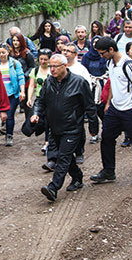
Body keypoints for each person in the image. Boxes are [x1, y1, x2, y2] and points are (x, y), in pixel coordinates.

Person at [90, 38, 132, 186]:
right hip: (115, 108)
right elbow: (113, 82)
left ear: (111, 50)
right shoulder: (110, 63)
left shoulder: (128, 65)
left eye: (102, 53)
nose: (101, 56)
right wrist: (109, 102)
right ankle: (108, 171)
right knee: (106, 138)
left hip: (130, 110)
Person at [35, 54, 96, 202]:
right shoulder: (49, 82)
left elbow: (90, 106)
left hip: (73, 128)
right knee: (64, 156)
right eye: (50, 66)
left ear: (65, 66)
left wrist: (94, 127)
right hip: (54, 128)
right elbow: (40, 100)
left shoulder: (79, 82)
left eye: (55, 66)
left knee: (62, 157)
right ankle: (77, 177)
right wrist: (36, 114)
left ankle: (53, 188)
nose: (52, 69)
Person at [63, 43, 93, 163]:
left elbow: (88, 86)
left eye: (68, 51)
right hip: (61, 105)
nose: (65, 53)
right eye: (64, 50)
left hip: (76, 105)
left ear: (75, 54)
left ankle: (79, 151)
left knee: (78, 128)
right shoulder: (58, 67)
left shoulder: (80, 69)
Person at [0, 43, 25, 147]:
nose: (1, 55)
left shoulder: (15, 63)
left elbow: (21, 77)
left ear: (8, 52)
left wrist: (22, 91)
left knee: (10, 116)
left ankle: (9, 135)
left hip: (12, 94)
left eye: (3, 52)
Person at [27, 49, 53, 153]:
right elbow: (32, 85)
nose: (43, 61)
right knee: (41, 120)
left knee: (49, 121)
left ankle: (47, 142)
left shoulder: (53, 70)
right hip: (40, 99)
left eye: (45, 59)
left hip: (51, 99)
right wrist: (29, 98)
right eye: (41, 59)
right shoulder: (35, 70)